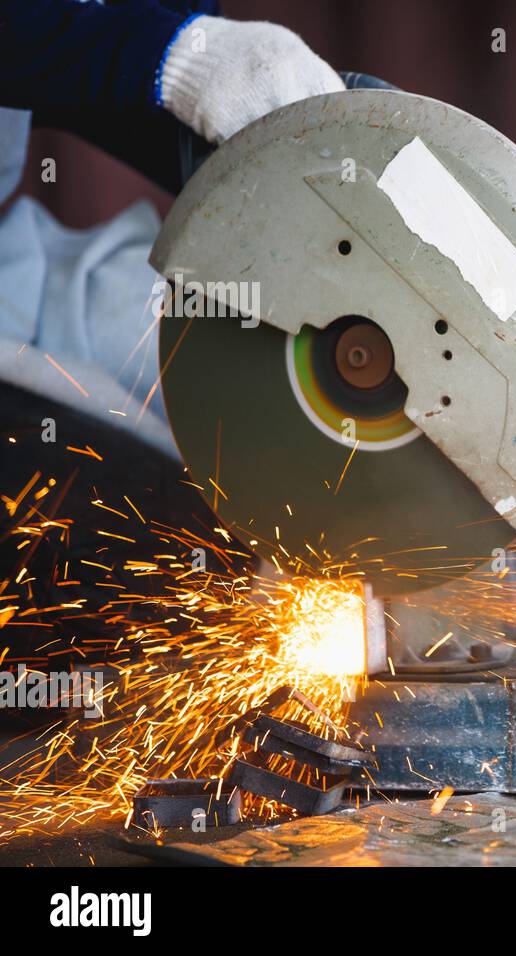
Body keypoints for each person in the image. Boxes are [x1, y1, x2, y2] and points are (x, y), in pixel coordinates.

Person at [0, 2, 345, 663]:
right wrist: (169, 51)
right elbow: (137, 54)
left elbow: (111, 82)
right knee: (142, 530)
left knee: (248, 360)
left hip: (10, 269)